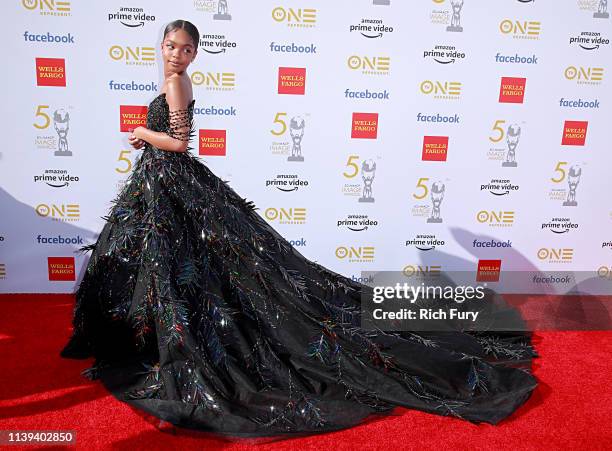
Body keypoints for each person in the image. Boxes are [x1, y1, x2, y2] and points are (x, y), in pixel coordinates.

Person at [60, 20, 538, 438]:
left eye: (186, 48)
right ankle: (148, 337)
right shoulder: (170, 80)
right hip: (161, 187)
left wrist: (142, 133)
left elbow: (180, 144)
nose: (178, 54)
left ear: (195, 53)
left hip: (172, 180)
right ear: (160, 45)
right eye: (171, 46)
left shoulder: (178, 85)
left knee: (191, 270)